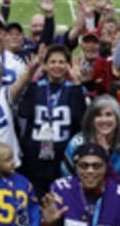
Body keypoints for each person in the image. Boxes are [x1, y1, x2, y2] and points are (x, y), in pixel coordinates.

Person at [16, 44, 87, 197]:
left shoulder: (73, 89)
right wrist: (33, 79)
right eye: (53, 62)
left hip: (61, 158)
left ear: (68, 65)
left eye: (61, 62)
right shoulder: (37, 87)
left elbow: (80, 118)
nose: (57, 66)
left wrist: (77, 84)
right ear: (46, 65)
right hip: (34, 157)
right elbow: (24, 111)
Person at [63, 95, 120, 181]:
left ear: (118, 119)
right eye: (98, 115)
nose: (104, 120)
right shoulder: (76, 143)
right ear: (91, 120)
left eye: (109, 115)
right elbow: (67, 180)